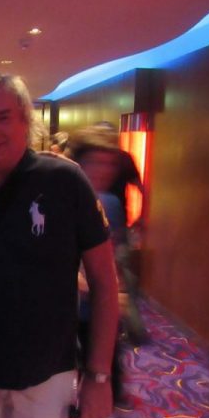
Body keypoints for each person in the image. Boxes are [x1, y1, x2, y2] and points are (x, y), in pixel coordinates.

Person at [0, 73, 119, 418]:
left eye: (3, 117)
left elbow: (105, 283)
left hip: (47, 374)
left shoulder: (64, 181)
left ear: (25, 121)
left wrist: (99, 376)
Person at [70, 128, 149, 348]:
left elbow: (113, 255)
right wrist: (98, 288)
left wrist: (115, 289)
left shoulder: (111, 204)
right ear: (78, 164)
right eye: (94, 162)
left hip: (101, 313)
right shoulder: (60, 202)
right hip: (67, 313)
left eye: (109, 164)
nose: (103, 171)